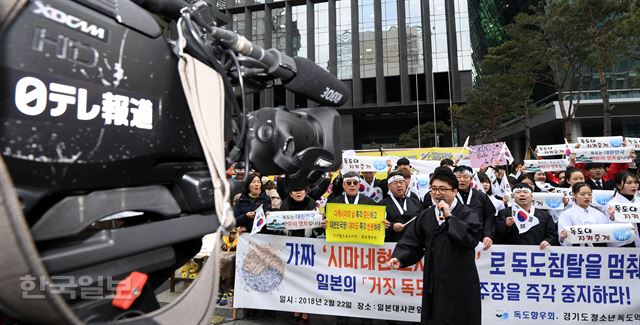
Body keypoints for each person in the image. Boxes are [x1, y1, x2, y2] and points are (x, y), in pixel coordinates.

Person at [387, 167, 481, 325]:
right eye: (434, 189)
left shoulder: (467, 213)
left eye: (443, 189)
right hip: (434, 277)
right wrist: (400, 258)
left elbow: (470, 240)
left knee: (461, 316)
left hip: (461, 277)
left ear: (455, 191)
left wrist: (450, 217)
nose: (438, 193)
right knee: (435, 315)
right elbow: (413, 242)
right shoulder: (426, 215)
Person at [279, 185, 321, 323]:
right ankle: (296, 307)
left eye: (301, 190)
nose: (298, 193)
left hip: (308, 247)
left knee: (307, 280)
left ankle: (306, 310)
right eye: (295, 190)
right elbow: (278, 228)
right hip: (290, 248)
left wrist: (321, 224)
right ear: (290, 193)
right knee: (293, 279)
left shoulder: (313, 204)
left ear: (305, 191)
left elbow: (318, 232)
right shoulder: (284, 205)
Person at [495, 183, 558, 248]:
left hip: (537, 253)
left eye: (525, 192)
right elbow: (497, 233)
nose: (522, 194)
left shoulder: (544, 215)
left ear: (531, 197)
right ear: (513, 196)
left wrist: (548, 241)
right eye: (518, 192)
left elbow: (553, 235)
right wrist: (506, 225)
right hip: (512, 254)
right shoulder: (504, 213)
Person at [452, 165, 496, 249]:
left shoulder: (481, 196)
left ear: (471, 179)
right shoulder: (449, 196)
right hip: (454, 238)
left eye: (465, 177)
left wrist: (488, 235)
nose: (462, 180)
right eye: (458, 177)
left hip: (478, 240)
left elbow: (490, 216)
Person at [558, 182, 610, 247]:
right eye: (582, 194)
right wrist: (563, 237)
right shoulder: (566, 214)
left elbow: (606, 235)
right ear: (574, 195)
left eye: (589, 194)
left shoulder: (600, 214)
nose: (587, 197)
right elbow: (563, 240)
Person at [382, 171, 423, 242]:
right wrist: (392, 226)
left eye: (401, 182)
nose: (399, 185)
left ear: (405, 184)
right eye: (395, 183)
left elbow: (423, 220)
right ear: (389, 186)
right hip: (392, 244)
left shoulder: (415, 202)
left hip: (414, 243)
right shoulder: (383, 204)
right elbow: (378, 224)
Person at [606, 171, 640, 247]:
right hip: (623, 244)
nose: (634, 185)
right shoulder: (612, 204)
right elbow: (611, 230)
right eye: (629, 183)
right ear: (618, 185)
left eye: (635, 182)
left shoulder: (638, 201)